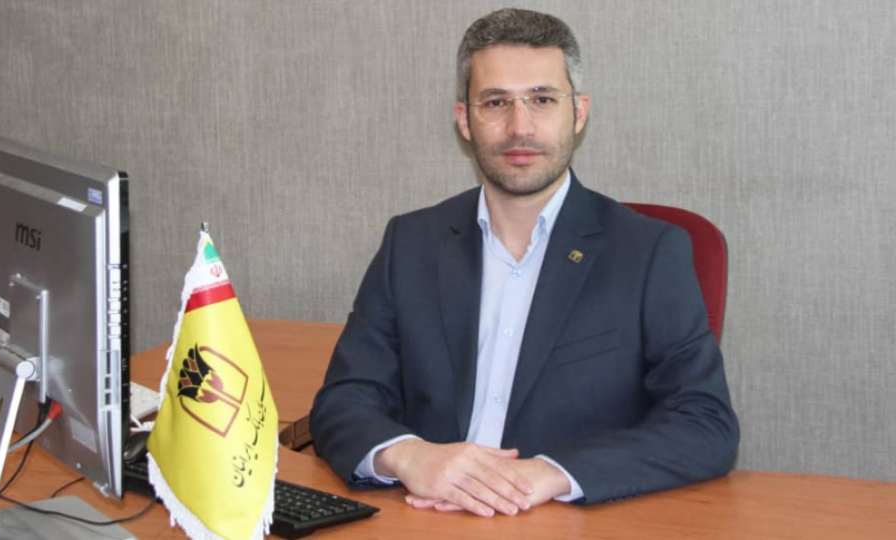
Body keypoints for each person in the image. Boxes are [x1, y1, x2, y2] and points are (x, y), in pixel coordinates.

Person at [309, 8, 739, 517]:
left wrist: (552, 473)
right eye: (496, 102)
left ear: (578, 113)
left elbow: (704, 423)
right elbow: (344, 400)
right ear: (464, 120)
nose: (520, 126)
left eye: (542, 99)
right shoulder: (411, 243)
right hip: (426, 518)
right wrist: (409, 456)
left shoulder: (649, 252)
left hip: (567, 520)